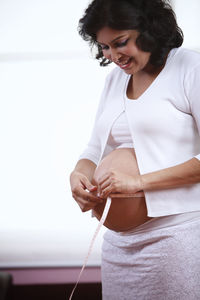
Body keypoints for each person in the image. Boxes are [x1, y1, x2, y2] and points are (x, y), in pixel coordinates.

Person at [70, 0, 200, 299]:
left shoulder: (190, 69)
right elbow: (94, 148)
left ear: (149, 29)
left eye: (120, 42)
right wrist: (79, 173)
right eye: (104, 47)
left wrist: (138, 182)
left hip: (176, 239)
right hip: (118, 245)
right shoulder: (115, 79)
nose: (114, 56)